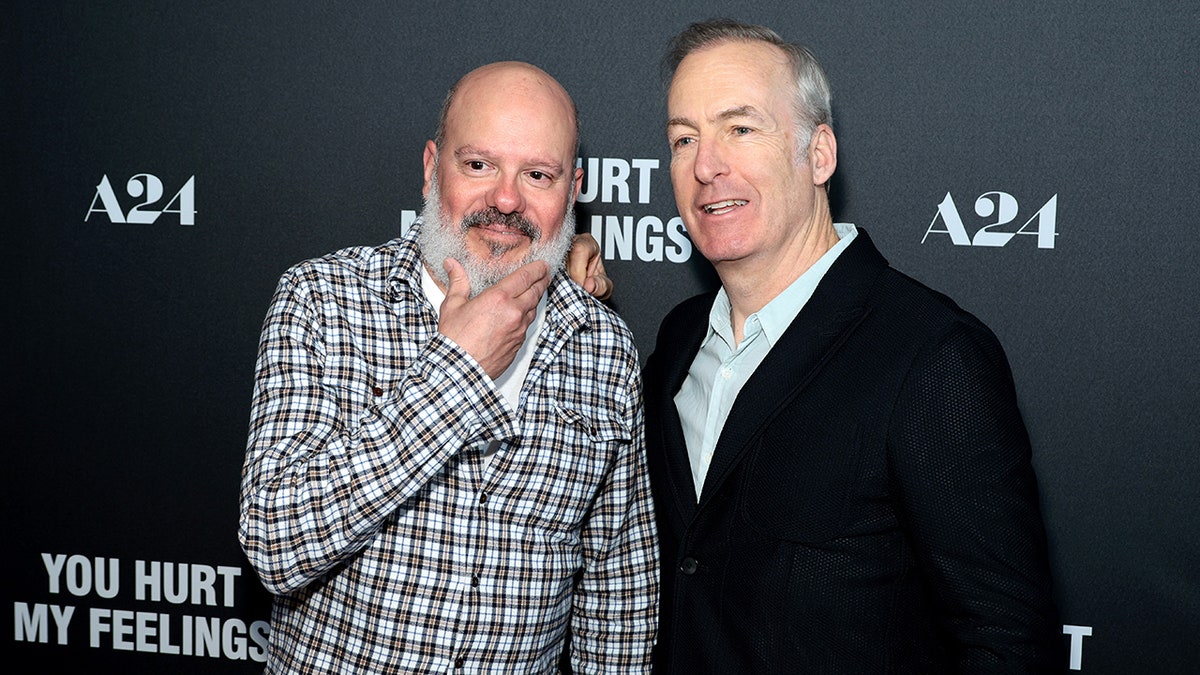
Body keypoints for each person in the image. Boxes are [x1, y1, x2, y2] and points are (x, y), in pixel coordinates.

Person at [642, 19, 1063, 672]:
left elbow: (1004, 638)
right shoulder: (675, 341)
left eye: (740, 128)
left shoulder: (933, 358)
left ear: (819, 155)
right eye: (683, 138)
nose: (705, 165)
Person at [239, 60, 655, 673]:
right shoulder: (323, 300)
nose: (506, 199)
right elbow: (274, 544)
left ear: (572, 190)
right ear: (433, 168)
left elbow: (618, 597)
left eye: (537, 174)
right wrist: (455, 371)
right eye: (479, 165)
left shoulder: (604, 347)